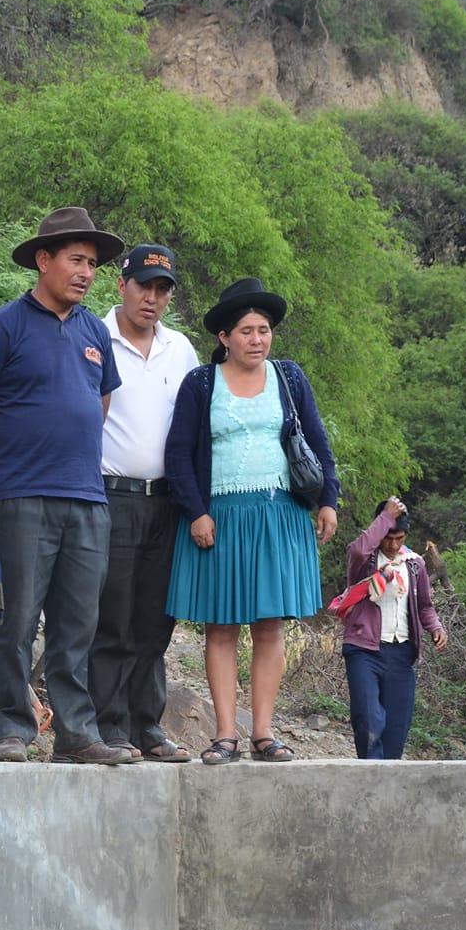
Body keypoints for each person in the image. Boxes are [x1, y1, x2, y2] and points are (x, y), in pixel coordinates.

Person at [162, 278, 339, 765]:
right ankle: (225, 734)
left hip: (279, 515)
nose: (257, 339)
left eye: (263, 330)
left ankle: (263, 732)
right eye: (246, 331)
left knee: (269, 626)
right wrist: (196, 511)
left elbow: (317, 442)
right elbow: (178, 454)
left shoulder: (289, 378)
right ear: (225, 337)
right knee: (221, 627)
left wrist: (328, 499)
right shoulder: (202, 383)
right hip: (219, 517)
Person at [0, 207, 128, 765]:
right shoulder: (1, 326)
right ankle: (11, 729)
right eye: (76, 260)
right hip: (20, 495)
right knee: (17, 621)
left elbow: (99, 404)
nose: (86, 273)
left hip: (88, 498)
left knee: (77, 626)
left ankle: (76, 735)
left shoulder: (95, 332)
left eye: (92, 264)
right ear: (44, 260)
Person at [91, 243, 201, 763]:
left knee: (156, 619)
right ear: (122, 285)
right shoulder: (95, 336)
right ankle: (109, 724)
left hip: (167, 500)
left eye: (162, 290)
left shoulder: (180, 348)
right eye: (143, 286)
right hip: (110, 494)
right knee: (112, 615)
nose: (152, 298)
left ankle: (147, 725)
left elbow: (195, 423)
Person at [341, 498, 447, 760]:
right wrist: (386, 516)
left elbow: (425, 606)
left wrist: (435, 627)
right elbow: (358, 550)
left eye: (399, 538)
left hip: (401, 653)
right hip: (364, 650)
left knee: (397, 726)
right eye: (388, 538)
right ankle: (371, 770)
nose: (393, 545)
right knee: (368, 717)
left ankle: (389, 777)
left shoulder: (414, 564)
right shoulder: (364, 560)